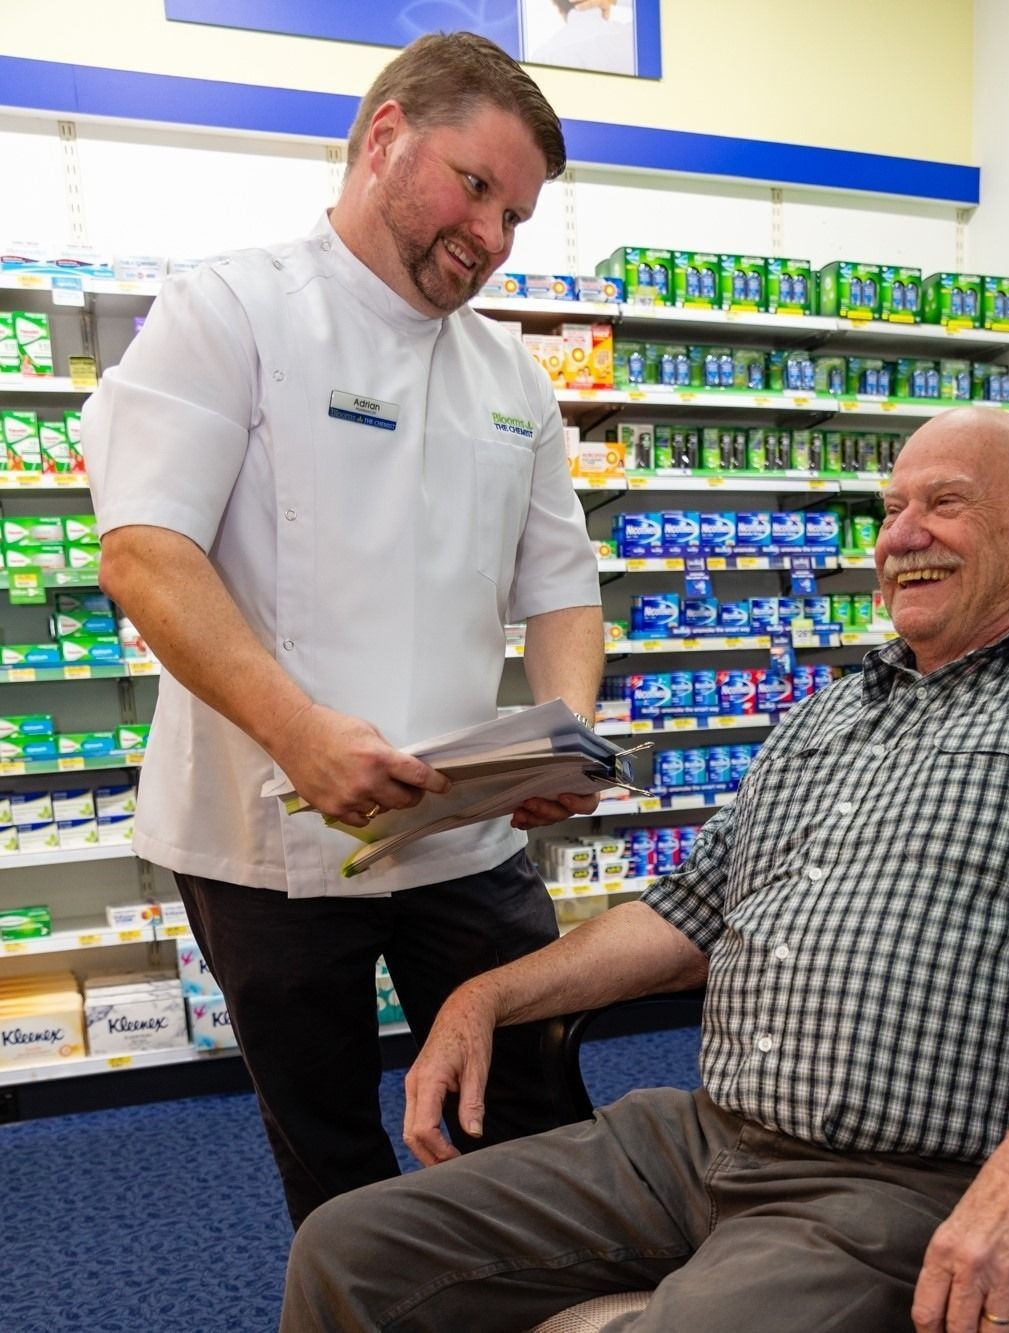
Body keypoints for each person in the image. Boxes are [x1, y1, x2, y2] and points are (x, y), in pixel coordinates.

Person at [281, 407, 1009, 1333]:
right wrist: (487, 997)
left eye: (944, 504)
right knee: (348, 1246)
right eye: (892, 511)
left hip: (904, 1176)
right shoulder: (827, 710)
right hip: (699, 1138)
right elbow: (682, 917)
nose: (899, 537)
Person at [81, 32, 606, 1228]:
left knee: (530, 1102)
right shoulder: (233, 308)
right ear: (385, 139)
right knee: (325, 1135)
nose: (491, 236)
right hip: (263, 836)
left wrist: (562, 727)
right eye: (474, 187)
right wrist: (301, 732)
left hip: (466, 830)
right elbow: (146, 553)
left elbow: (562, 586)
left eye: (517, 215)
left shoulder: (512, 379)